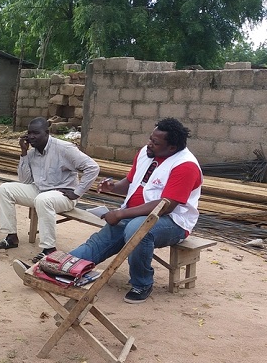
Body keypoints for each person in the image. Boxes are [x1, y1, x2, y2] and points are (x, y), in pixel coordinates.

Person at [69, 118, 202, 304]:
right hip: (134, 214)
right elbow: (132, 183)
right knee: (99, 242)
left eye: (155, 143)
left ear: (171, 148)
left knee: (137, 229)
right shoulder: (145, 154)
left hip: (173, 221)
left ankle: (142, 283)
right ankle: (61, 266)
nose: (149, 144)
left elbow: (166, 206)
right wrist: (113, 187)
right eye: (150, 139)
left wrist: (120, 214)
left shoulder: (185, 166)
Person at [0, 117, 100, 263]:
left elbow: (93, 167)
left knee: (43, 200)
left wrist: (77, 192)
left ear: (47, 133)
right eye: (29, 133)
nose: (31, 137)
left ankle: (49, 249)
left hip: (63, 196)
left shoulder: (64, 148)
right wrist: (23, 153)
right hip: (40, 191)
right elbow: (25, 181)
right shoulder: (31, 152)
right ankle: (11, 237)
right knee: (5, 189)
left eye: (36, 133)